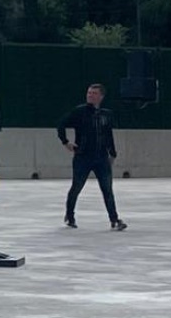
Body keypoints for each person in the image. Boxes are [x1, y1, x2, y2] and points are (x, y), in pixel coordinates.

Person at [57, 82, 127, 230]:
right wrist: (65, 142)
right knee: (76, 187)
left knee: (107, 189)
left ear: (101, 96)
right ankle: (70, 215)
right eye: (89, 93)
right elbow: (61, 124)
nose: (90, 95)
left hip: (101, 158)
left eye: (94, 93)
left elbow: (108, 135)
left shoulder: (106, 115)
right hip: (83, 156)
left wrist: (112, 153)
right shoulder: (80, 111)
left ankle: (114, 219)